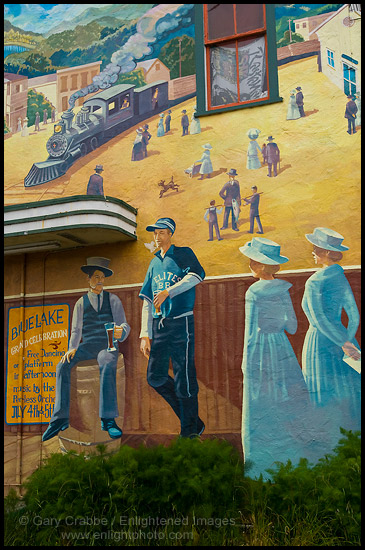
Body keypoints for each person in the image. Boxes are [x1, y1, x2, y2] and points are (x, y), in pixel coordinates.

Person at [238, 238, 314, 480]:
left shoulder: (253, 291)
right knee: (286, 400)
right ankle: (291, 458)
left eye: (254, 261)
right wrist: (276, 323)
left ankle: (260, 466)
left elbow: (250, 331)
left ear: (263, 266)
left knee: (260, 403)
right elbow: (292, 326)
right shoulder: (283, 289)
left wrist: (245, 362)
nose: (250, 264)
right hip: (281, 349)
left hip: (259, 351)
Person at [42, 257, 130, 441]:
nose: (100, 280)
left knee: (107, 362)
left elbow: (124, 325)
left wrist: (121, 332)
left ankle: (108, 420)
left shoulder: (113, 300)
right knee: (62, 365)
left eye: (102, 277)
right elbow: (76, 329)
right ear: (88, 279)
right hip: (88, 345)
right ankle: (59, 419)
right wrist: (72, 348)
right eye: (96, 276)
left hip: (108, 345)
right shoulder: (81, 303)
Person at [139, 217, 206, 438]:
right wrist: (145, 334)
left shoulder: (183, 253)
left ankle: (189, 432)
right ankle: (193, 422)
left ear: (170, 234)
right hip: (159, 325)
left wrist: (170, 291)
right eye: (155, 233)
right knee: (155, 377)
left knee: (183, 378)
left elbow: (197, 275)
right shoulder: (154, 262)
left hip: (181, 321)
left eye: (161, 233)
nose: (157, 237)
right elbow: (147, 300)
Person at [301, 227, 361, 453]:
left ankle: (327, 443)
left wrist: (342, 343)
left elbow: (317, 318)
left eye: (316, 249)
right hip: (343, 335)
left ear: (326, 252)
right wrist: (347, 339)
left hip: (320, 342)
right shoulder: (340, 276)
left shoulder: (315, 281)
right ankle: (350, 438)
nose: (313, 252)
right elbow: (353, 314)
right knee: (347, 387)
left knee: (323, 388)